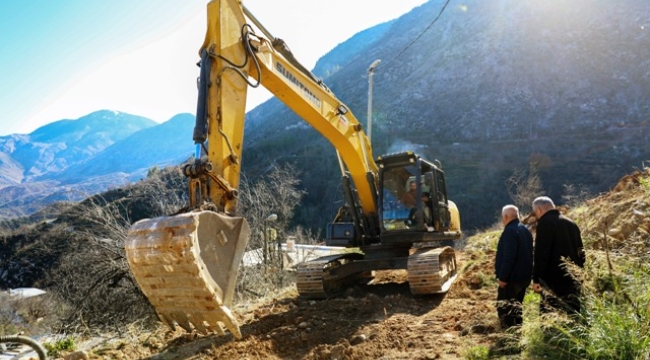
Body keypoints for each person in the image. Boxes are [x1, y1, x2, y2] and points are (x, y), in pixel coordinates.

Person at [531, 196, 585, 314]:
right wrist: (580, 274)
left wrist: (536, 279)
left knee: (552, 317)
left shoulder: (545, 223)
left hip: (553, 281)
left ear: (539, 210)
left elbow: (541, 254)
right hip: (573, 279)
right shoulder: (571, 223)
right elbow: (581, 252)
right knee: (573, 315)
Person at [495, 205, 534, 329]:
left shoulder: (509, 231)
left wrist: (502, 277)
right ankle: (518, 335)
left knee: (505, 310)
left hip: (511, 279)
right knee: (517, 307)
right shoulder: (525, 230)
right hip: (524, 278)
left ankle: (509, 340)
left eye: (502, 217)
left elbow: (509, 257)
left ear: (506, 217)